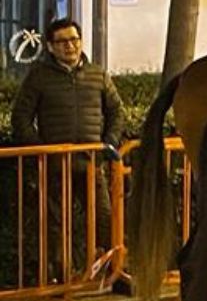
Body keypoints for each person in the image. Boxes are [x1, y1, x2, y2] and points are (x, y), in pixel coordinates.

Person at [11, 18, 125, 277]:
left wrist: (109, 142)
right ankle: (59, 277)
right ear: (50, 47)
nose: (70, 46)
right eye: (62, 42)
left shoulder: (98, 74)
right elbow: (21, 118)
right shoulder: (38, 77)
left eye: (74, 40)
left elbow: (116, 111)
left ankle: (111, 271)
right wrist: (41, 150)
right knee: (56, 224)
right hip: (54, 163)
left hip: (90, 161)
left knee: (104, 218)